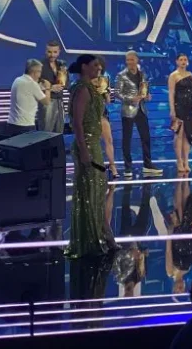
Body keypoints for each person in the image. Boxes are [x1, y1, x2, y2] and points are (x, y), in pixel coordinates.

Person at [65, 54, 117, 259]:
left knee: (97, 192)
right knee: (89, 193)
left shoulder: (91, 87)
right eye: (95, 65)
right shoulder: (82, 89)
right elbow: (77, 123)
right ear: (84, 67)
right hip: (86, 145)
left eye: (100, 66)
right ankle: (91, 240)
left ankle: (105, 236)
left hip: (94, 144)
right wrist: (84, 151)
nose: (99, 69)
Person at [115, 51, 162, 178]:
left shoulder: (142, 74)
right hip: (128, 111)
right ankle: (128, 167)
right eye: (127, 60)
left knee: (146, 138)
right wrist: (131, 99)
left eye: (131, 59)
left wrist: (147, 96)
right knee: (127, 139)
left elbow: (144, 89)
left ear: (137, 60)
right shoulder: (121, 75)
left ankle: (147, 164)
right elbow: (117, 93)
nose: (129, 62)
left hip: (141, 109)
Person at [168, 53, 192, 174]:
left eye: (185, 59)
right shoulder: (173, 75)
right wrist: (172, 109)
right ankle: (179, 161)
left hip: (190, 108)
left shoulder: (190, 75)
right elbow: (171, 93)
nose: (183, 61)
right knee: (179, 134)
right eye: (181, 60)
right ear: (177, 62)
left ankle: (186, 161)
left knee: (187, 134)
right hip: (179, 107)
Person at [7, 59, 51, 136]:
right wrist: (48, 88)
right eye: (39, 72)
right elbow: (46, 102)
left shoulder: (17, 80)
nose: (40, 75)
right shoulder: (32, 84)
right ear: (34, 72)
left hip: (12, 125)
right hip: (25, 126)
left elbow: (28, 92)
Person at [94, 56, 118, 179]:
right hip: (90, 114)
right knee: (94, 143)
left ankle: (112, 166)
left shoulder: (104, 81)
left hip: (102, 114)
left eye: (100, 67)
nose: (98, 69)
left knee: (109, 140)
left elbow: (108, 101)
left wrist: (105, 91)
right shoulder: (85, 81)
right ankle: (96, 167)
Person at [37, 40, 66, 134]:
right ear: (45, 51)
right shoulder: (39, 65)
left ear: (59, 52)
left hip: (60, 101)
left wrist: (63, 83)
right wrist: (50, 88)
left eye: (55, 52)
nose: (52, 55)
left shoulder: (61, 65)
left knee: (59, 132)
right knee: (45, 133)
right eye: (49, 52)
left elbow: (67, 83)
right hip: (47, 102)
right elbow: (33, 84)